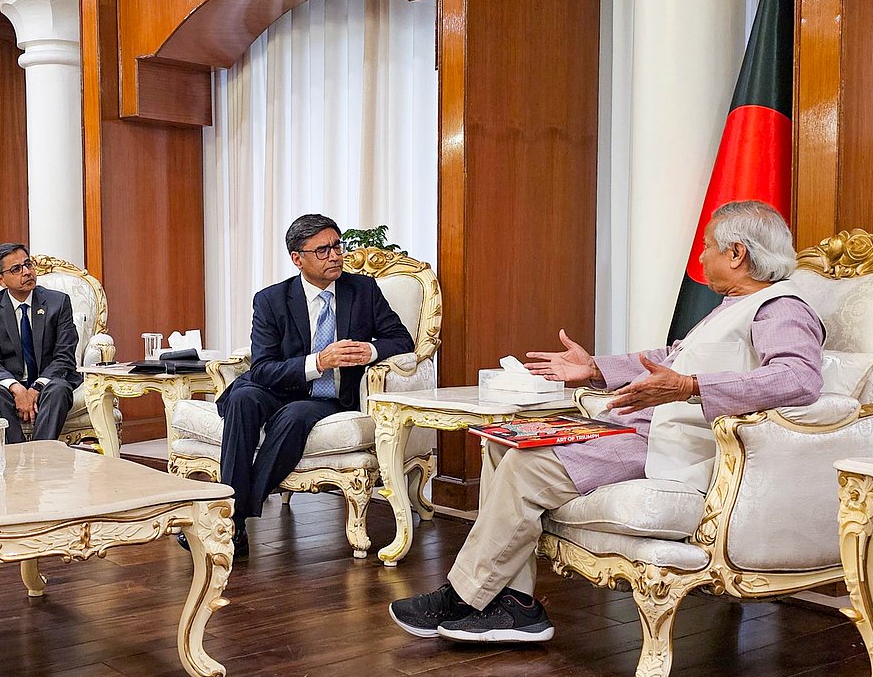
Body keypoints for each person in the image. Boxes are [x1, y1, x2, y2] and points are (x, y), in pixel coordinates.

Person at [389, 200, 824, 643]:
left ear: (736, 254)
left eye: (708, 246)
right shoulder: (733, 306)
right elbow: (669, 358)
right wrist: (594, 368)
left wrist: (689, 386)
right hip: (640, 430)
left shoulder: (780, 308)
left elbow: (799, 378)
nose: (701, 256)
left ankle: (463, 596)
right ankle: (511, 601)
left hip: (671, 447)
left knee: (526, 466)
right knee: (504, 443)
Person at [187, 214, 415, 559]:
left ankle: (228, 519)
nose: (335, 256)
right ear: (298, 258)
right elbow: (263, 368)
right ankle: (230, 519)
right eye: (322, 250)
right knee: (243, 398)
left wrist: (367, 351)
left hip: (326, 397)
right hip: (276, 385)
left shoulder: (363, 291)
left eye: (337, 246)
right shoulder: (271, 300)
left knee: (294, 416)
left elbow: (401, 339)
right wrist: (319, 361)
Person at [0, 243, 81, 444]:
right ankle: (16, 453)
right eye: (16, 269)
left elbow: (64, 357)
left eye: (28, 264)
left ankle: (41, 453)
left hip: (48, 381)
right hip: (10, 384)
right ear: (1, 280)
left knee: (59, 389)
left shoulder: (58, 302)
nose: (26, 272)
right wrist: (17, 389)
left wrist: (35, 389)